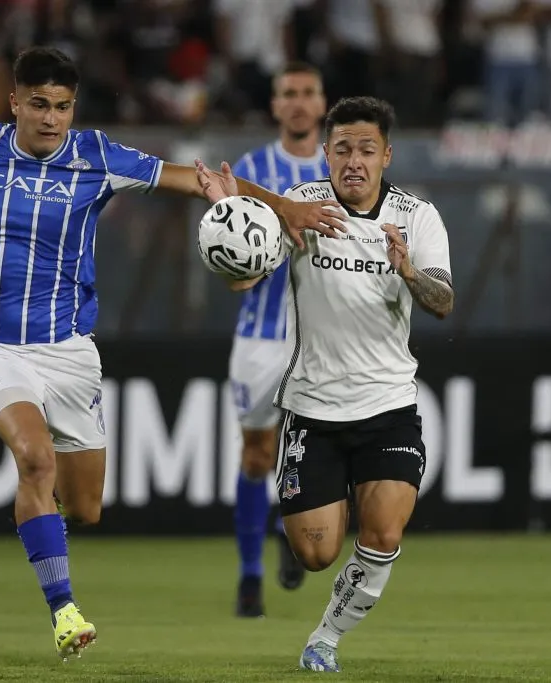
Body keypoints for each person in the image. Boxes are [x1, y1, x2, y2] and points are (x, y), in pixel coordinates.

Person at [0, 46, 346, 661]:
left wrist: (275, 204)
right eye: (40, 105)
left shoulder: (96, 156)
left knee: (86, 506)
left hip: (69, 348)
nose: (51, 119)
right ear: (15, 102)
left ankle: (45, 527)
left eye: (63, 107)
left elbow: (193, 177)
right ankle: (64, 610)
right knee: (33, 459)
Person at [198, 96, 454, 672]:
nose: (354, 162)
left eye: (366, 150)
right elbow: (248, 277)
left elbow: (443, 301)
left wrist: (410, 271)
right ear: (326, 154)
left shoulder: (417, 217)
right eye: (342, 150)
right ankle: (307, 549)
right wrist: (230, 216)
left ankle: (325, 639)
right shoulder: (304, 209)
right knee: (316, 553)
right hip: (314, 407)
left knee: (384, 534)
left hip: (389, 404)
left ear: (386, 155)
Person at [227, 61, 329, 618]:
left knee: (320, 452)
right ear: (274, 105)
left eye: (307, 93)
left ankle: (295, 536)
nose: (297, 102)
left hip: (322, 339)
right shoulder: (251, 169)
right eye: (288, 93)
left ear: (322, 103)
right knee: (257, 455)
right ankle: (249, 577)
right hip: (260, 339)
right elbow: (224, 252)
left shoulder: (340, 171)